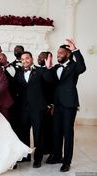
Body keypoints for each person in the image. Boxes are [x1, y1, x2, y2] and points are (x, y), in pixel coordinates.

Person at [47, 39, 86, 172]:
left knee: (67, 132)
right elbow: (51, 85)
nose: (58, 54)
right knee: (56, 131)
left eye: (61, 52)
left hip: (69, 104)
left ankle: (67, 161)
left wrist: (75, 50)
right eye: (57, 52)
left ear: (68, 54)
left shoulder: (75, 66)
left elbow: (83, 68)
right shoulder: (56, 67)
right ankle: (57, 156)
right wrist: (48, 68)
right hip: (57, 104)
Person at [14, 51, 53, 168]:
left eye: (27, 58)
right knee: (23, 133)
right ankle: (26, 155)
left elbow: (50, 80)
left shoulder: (41, 71)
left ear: (32, 59)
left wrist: (49, 68)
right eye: (22, 59)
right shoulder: (18, 73)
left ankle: (38, 158)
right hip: (23, 108)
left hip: (37, 108)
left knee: (38, 134)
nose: (24, 61)